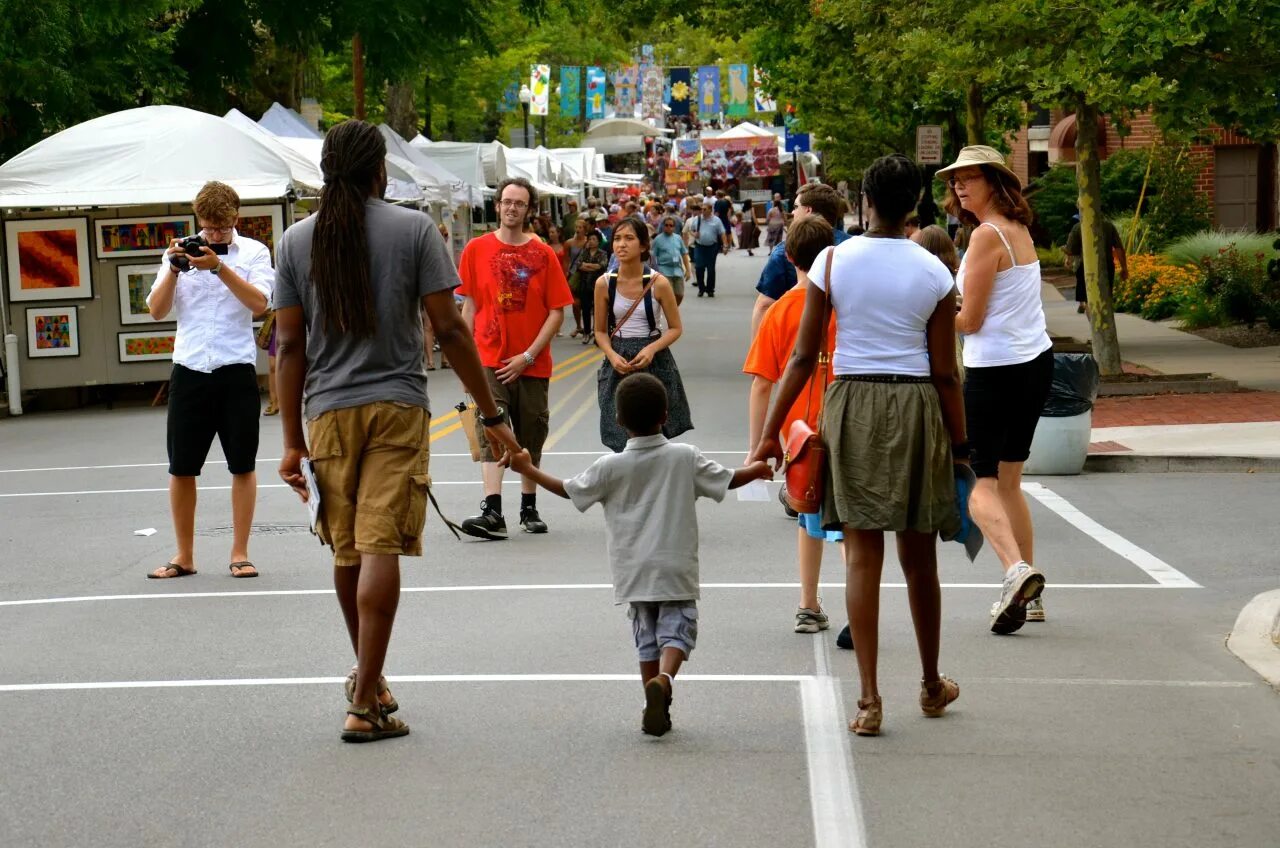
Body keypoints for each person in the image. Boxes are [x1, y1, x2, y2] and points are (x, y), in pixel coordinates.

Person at [274, 119, 521, 743]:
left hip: (326, 411)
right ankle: (364, 699)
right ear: (379, 169)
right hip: (398, 404)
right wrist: (491, 414)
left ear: (327, 171)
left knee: (348, 548)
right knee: (380, 546)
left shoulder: (296, 242)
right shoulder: (413, 230)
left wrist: (290, 443)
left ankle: (370, 680)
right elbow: (453, 328)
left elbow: (287, 345)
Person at [751, 154, 967, 736]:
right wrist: (962, 443)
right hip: (916, 403)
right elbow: (947, 373)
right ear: (913, 206)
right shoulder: (934, 272)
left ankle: (869, 700)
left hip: (850, 402)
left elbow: (801, 357)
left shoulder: (830, 261)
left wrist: (770, 433)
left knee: (862, 553)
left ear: (865, 201)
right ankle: (929, 683)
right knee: (919, 558)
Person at [508, 373, 773, 736]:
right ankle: (664, 681)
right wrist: (757, 470)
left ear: (617, 421)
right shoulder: (684, 457)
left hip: (631, 569)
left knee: (646, 638)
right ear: (666, 415)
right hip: (674, 565)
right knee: (678, 630)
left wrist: (528, 469)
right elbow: (727, 479)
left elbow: (569, 490)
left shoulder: (608, 466)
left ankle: (653, 703)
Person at [938, 144, 1052, 634]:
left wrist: (936, 312)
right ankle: (1031, 597)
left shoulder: (987, 236)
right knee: (1010, 482)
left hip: (996, 368)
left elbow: (972, 321)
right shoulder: (1018, 229)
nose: (960, 186)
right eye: (955, 180)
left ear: (995, 183)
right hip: (1034, 362)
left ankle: (1015, 572)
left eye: (970, 178)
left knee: (976, 482)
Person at [145, 181, 273, 580]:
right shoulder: (181, 250)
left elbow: (260, 303)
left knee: (242, 463)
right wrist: (172, 268)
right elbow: (156, 311)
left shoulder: (253, 251)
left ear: (236, 218)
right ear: (198, 221)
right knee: (181, 467)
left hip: (235, 368)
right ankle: (184, 555)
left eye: (222, 228)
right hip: (190, 368)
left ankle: (240, 551)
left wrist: (219, 267)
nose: (215, 236)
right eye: (209, 228)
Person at [457, 176, 575, 540]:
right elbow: (470, 307)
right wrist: (466, 361)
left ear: (528, 209)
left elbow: (557, 311)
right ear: (497, 206)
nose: (511, 208)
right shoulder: (476, 250)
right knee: (491, 426)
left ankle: (529, 506)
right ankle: (493, 511)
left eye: (519, 203)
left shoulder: (543, 255)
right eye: (506, 201)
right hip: (490, 358)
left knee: (530, 432)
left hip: (531, 361)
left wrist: (527, 355)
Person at [743, 216, 845, 635]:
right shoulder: (847, 304)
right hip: (846, 422)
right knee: (850, 524)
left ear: (788, 257)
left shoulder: (779, 310)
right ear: (832, 255)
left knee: (808, 516)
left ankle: (807, 603)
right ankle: (859, 610)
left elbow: (762, 385)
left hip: (798, 433)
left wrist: (757, 447)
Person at [594, 217, 693, 452]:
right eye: (617, 239)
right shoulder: (604, 284)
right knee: (618, 431)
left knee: (655, 432)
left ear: (644, 246)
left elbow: (675, 328)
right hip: (619, 359)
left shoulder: (659, 283)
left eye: (629, 238)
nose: (621, 244)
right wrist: (611, 355)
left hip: (653, 359)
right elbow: (599, 331)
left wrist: (651, 349)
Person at [750, 183, 851, 336]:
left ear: (808, 210)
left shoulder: (786, 250)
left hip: (796, 337)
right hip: (844, 341)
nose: (793, 212)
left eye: (796, 207)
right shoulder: (852, 246)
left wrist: (757, 353)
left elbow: (764, 305)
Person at [1064, 213, 1128, 315]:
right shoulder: (1108, 226)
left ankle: (1096, 327)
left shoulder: (1078, 227)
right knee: (1105, 297)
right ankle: (1106, 325)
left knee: (1089, 300)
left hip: (1085, 266)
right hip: (1106, 266)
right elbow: (1119, 248)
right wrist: (1124, 268)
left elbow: (1070, 250)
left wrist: (1067, 254)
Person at [570, 230, 608, 345]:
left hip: (597, 286)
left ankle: (597, 333)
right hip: (584, 285)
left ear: (598, 241)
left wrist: (587, 266)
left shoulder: (602, 253)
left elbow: (602, 266)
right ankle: (586, 332)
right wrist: (592, 266)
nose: (591, 242)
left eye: (594, 239)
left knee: (597, 310)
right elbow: (579, 265)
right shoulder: (584, 252)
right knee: (585, 310)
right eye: (590, 239)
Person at [689, 202, 730, 297]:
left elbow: (722, 233)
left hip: (712, 247)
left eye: (705, 209)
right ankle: (701, 288)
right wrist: (694, 234)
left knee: (710, 269)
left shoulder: (716, 220)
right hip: (699, 246)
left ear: (710, 210)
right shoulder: (697, 219)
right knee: (699, 267)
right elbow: (691, 229)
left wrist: (725, 245)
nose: (702, 211)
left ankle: (710, 289)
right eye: (702, 209)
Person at [651, 214, 692, 305]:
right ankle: (670, 311)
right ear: (663, 226)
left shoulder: (678, 238)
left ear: (674, 227)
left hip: (677, 270)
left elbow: (684, 254)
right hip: (664, 270)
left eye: (671, 225)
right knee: (669, 294)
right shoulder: (658, 239)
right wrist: (654, 272)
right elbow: (653, 257)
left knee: (680, 294)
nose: (668, 227)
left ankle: (673, 309)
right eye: (666, 225)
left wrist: (688, 270)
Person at [564, 219, 590, 337]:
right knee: (575, 303)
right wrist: (565, 274)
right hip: (573, 274)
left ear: (585, 229)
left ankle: (587, 327)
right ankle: (578, 326)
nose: (578, 230)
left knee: (585, 302)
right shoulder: (569, 243)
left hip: (586, 274)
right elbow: (566, 260)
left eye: (580, 227)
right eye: (576, 227)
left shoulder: (588, 242)